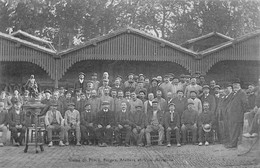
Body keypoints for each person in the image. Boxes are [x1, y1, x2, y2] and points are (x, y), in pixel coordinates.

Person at [226, 78, 248, 149]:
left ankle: (233, 144)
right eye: (234, 84)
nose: (235, 86)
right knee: (232, 129)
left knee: (235, 130)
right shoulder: (233, 93)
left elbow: (245, 104)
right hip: (232, 115)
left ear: (239, 85)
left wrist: (243, 114)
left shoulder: (242, 93)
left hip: (238, 115)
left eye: (236, 84)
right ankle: (232, 143)